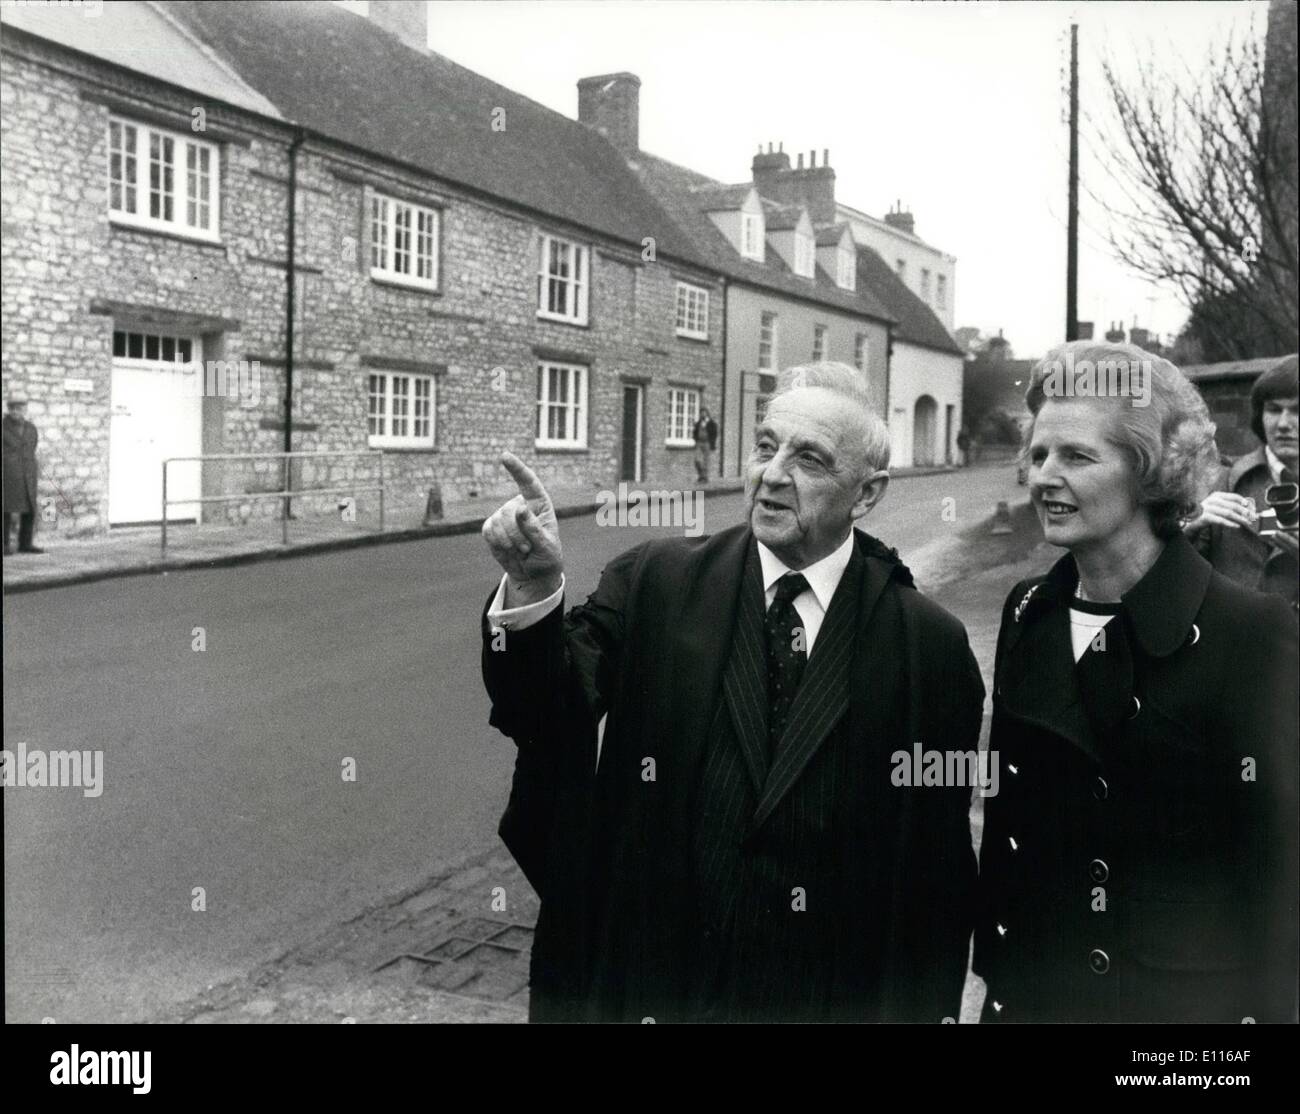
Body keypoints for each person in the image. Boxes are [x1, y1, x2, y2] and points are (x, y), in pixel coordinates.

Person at [480, 362, 984, 1022]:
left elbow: (936, 880)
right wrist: (534, 589)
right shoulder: (656, 581)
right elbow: (544, 709)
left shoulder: (929, 647)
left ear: (866, 494)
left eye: (808, 459)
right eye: (766, 447)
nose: (772, 474)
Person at [974, 341, 1298, 1024]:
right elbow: (1008, 823)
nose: (1043, 477)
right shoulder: (1028, 611)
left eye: (1077, 457)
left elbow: (1278, 863)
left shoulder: (1249, 630)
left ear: (1153, 470)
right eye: (1038, 454)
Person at [1183, 353, 1298, 609]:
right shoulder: (1220, 482)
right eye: (1274, 409)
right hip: (1231, 630)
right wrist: (1188, 526)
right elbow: (1173, 582)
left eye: (1297, 411)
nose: (1283, 424)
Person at [2, 395, 43, 556]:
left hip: (28, 473)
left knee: (29, 508)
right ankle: (4, 544)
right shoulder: (3, 426)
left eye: (19, 409)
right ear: (8, 410)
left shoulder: (31, 428)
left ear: (25, 410)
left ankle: (25, 544)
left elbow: (33, 447)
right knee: (5, 508)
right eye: (12, 409)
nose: (15, 412)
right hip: (8, 473)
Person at [692, 406, 718, 484]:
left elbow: (714, 433)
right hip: (699, 443)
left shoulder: (711, 423)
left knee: (706, 461)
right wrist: (695, 439)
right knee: (697, 460)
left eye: (704, 413)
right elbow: (695, 432)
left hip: (707, 443)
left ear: (707, 413)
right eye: (701, 413)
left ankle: (704, 478)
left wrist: (712, 443)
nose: (702, 414)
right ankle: (701, 475)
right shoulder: (698, 423)